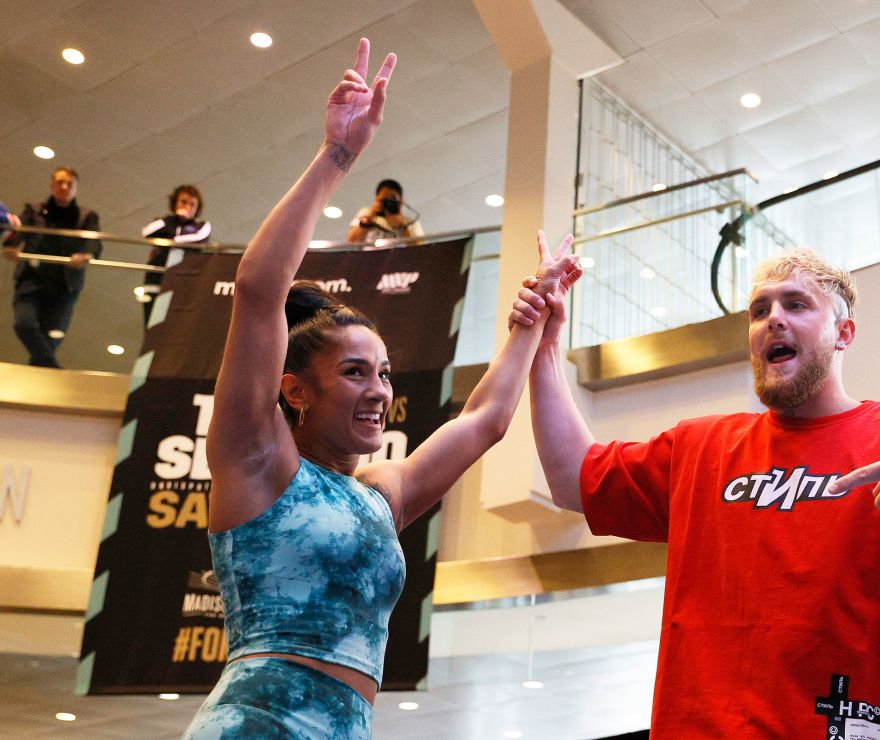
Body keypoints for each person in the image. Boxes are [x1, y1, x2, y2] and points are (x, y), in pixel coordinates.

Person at [182, 39, 579, 739]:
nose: (379, 390)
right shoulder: (257, 462)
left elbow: (486, 418)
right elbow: (257, 289)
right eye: (355, 371)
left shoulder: (378, 495)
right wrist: (337, 157)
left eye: (385, 372)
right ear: (295, 392)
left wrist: (532, 322)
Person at [510, 247, 880, 738]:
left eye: (796, 304)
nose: (772, 319)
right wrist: (547, 346)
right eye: (759, 310)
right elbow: (573, 478)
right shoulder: (700, 447)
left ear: (844, 332)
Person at [2, 167, 102, 368]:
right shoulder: (34, 210)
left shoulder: (87, 216)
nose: (64, 187)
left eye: (69, 184)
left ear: (76, 189)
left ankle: (40, 377)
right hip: (31, 279)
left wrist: (86, 255)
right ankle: (53, 370)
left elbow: (94, 242)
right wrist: (11, 247)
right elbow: (20, 232)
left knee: (51, 338)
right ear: (52, 185)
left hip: (65, 285)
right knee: (24, 324)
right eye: (60, 183)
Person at [139, 184, 212, 321]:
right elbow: (146, 232)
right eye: (183, 202)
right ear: (175, 203)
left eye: (192, 204)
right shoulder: (166, 222)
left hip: (184, 279)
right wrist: (171, 221)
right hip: (156, 278)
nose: (187, 207)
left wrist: (172, 239)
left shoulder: (201, 226)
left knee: (174, 322)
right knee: (152, 321)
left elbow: (199, 238)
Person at [345, 178, 424, 243]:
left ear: (401, 201)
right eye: (384, 200)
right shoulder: (366, 214)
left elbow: (419, 250)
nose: (388, 204)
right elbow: (352, 241)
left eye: (393, 200)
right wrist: (370, 217)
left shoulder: (410, 222)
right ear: (376, 199)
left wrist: (403, 227)